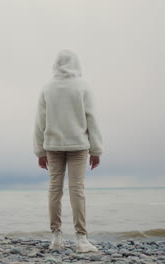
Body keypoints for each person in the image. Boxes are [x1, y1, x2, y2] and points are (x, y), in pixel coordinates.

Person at [33, 49, 103, 253]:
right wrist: (96, 149)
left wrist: (39, 151)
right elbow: (92, 119)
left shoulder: (47, 88)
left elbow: (39, 121)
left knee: (54, 189)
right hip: (79, 145)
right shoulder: (83, 87)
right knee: (77, 190)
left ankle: (56, 236)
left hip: (53, 146)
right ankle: (81, 239)